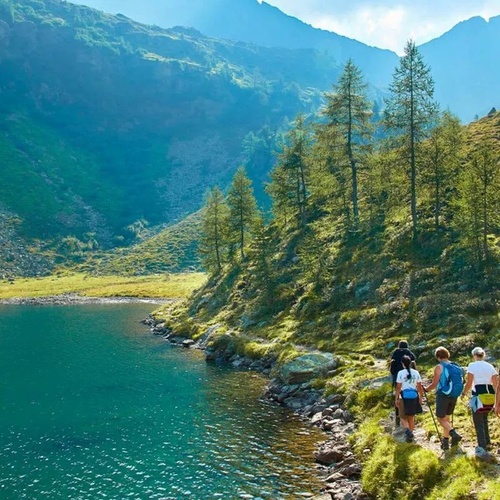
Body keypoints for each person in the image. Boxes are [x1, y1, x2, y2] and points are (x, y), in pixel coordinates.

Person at [461, 347, 498, 459]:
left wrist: (463, 393)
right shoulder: (490, 366)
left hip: (478, 396)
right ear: (483, 355)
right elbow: (496, 384)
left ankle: (482, 446)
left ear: (474, 355)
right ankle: (487, 442)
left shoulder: (472, 366)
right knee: (484, 419)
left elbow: (469, 382)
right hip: (490, 396)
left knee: (478, 421)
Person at [424, 346, 462, 450]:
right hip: (454, 395)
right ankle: (445, 442)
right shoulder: (455, 365)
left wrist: (426, 390)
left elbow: (434, 383)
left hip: (443, 395)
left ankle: (454, 434)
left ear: (438, 357)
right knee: (446, 418)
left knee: (440, 418)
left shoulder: (439, 367)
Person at [395, 355, 423, 442]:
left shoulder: (400, 373)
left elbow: (398, 387)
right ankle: (410, 434)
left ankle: (407, 431)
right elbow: (419, 387)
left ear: (402, 364)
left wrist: (396, 398)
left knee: (403, 416)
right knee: (411, 417)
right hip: (414, 396)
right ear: (410, 363)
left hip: (404, 396)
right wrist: (420, 397)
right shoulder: (416, 372)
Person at [390, 340, 416, 427]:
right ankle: (410, 416)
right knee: (409, 397)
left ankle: (398, 416)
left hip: (397, 380)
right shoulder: (409, 353)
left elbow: (392, 370)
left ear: (399, 346)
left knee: (398, 398)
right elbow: (414, 361)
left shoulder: (395, 353)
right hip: (409, 381)